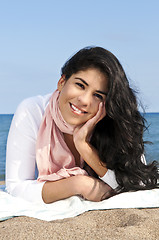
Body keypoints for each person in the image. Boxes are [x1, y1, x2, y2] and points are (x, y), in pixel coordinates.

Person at [6, 46, 159, 204]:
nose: (85, 101)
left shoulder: (115, 122)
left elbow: (138, 185)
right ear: (62, 82)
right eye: (80, 85)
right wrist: (78, 184)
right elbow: (16, 188)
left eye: (98, 95)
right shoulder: (33, 111)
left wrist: (85, 148)